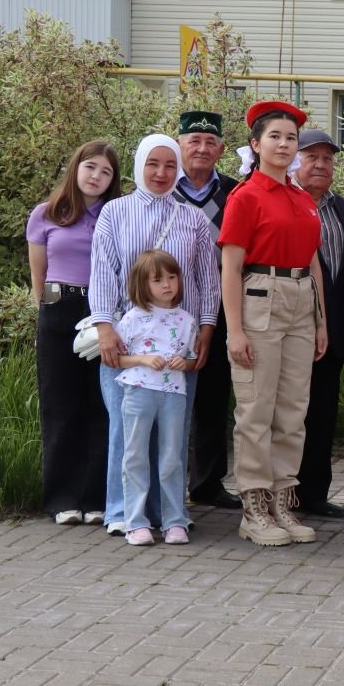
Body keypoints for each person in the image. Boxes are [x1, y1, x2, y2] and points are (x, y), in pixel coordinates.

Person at [89, 134, 221, 536]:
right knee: (125, 430)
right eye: (153, 164)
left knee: (172, 434)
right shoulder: (115, 213)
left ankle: (169, 513)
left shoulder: (192, 218)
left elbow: (206, 281)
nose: (162, 173)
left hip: (178, 345)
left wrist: (206, 328)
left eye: (169, 165)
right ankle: (120, 512)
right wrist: (104, 327)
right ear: (139, 165)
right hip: (127, 341)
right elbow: (102, 273)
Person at [219, 100, 329, 547]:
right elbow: (230, 266)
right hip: (260, 297)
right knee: (256, 410)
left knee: (292, 411)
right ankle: (255, 508)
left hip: (302, 300)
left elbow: (314, 262)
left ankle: (285, 501)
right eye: (275, 137)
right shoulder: (245, 197)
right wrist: (235, 330)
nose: (285, 145)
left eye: (291, 139)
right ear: (255, 145)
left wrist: (321, 321)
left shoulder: (303, 198)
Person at [27, 140, 122, 525]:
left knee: (100, 407)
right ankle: (62, 499)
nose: (96, 176)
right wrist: (50, 314)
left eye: (106, 171)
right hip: (59, 310)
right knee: (60, 407)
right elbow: (40, 277)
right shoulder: (46, 214)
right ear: (76, 168)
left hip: (101, 312)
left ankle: (96, 498)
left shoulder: (115, 215)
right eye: (91, 167)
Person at [173, 110, 242, 511]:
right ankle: (165, 483)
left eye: (209, 142)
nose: (201, 148)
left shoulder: (234, 191)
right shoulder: (163, 186)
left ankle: (207, 483)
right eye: (193, 141)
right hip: (165, 307)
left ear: (220, 148)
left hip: (217, 304)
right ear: (179, 144)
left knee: (215, 397)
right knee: (165, 397)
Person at [114, 250, 198, 546]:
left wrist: (184, 364)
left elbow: (191, 359)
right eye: (158, 279)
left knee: (172, 457)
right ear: (142, 284)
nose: (167, 285)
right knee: (135, 455)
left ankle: (175, 521)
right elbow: (117, 359)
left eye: (172, 277)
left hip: (174, 395)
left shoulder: (187, 320)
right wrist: (143, 360)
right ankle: (136, 522)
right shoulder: (133, 318)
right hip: (138, 392)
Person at [293, 128, 344, 519]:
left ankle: (314, 493)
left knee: (322, 413)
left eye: (327, 158)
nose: (320, 164)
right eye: (311, 156)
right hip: (290, 325)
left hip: (334, 330)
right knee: (288, 415)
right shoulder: (282, 202)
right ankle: (283, 493)